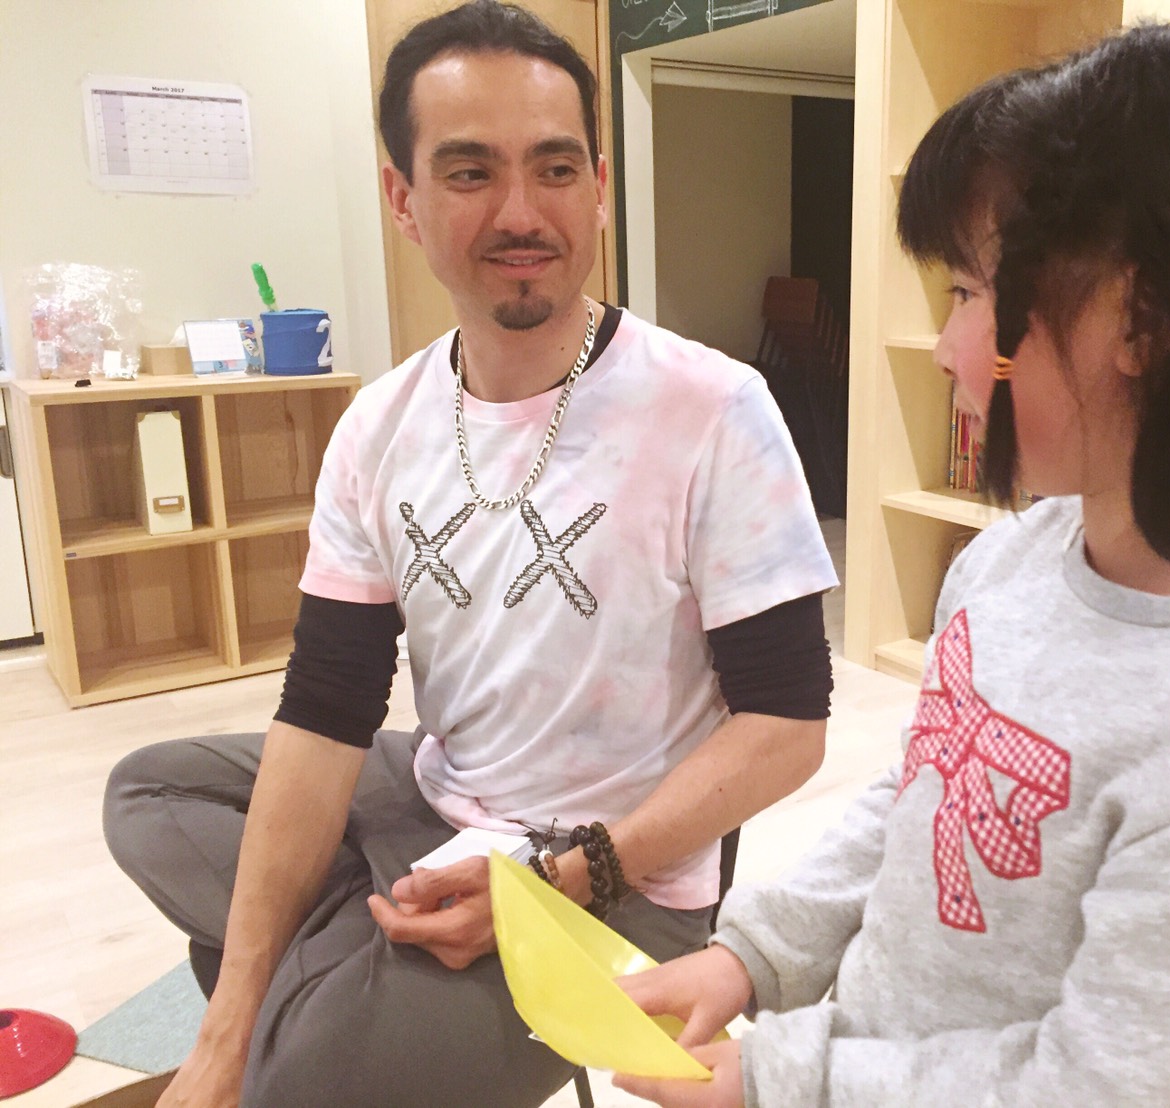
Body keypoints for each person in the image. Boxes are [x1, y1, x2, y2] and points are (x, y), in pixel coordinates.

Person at [612, 12, 1170, 1107]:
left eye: (972, 295)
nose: (947, 348)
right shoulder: (1022, 554)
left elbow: (1103, 1090)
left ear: (1144, 321)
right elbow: (920, 790)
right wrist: (754, 955)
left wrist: (785, 1079)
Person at [102, 3, 837, 1106]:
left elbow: (787, 728)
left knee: (294, 1085)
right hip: (441, 796)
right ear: (402, 197)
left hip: (617, 872)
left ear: (599, 186)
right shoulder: (378, 424)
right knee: (151, 792)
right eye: (468, 172)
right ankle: (358, 953)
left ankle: (350, 967)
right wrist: (226, 1022)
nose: (520, 212)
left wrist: (557, 876)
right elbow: (326, 709)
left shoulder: (715, 409)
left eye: (554, 169)